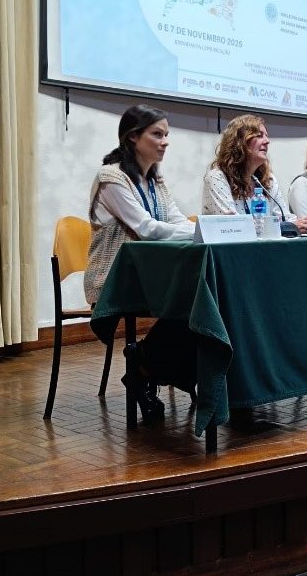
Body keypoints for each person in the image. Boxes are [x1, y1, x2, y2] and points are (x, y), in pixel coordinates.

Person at [83, 104, 196, 424]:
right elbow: (147, 229)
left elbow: (176, 220)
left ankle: (144, 365)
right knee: (195, 304)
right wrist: (200, 231)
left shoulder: (156, 181)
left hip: (153, 277)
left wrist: (199, 229)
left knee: (207, 299)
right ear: (133, 136)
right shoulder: (110, 177)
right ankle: (147, 368)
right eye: (157, 134)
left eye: (167, 135)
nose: (165, 141)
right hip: (114, 279)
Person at [202, 114, 307, 233]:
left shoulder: (268, 180)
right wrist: (284, 227)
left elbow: (285, 218)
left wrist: (305, 224)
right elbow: (233, 226)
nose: (267, 141)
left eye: (266, 136)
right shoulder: (217, 178)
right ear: (240, 142)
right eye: (259, 136)